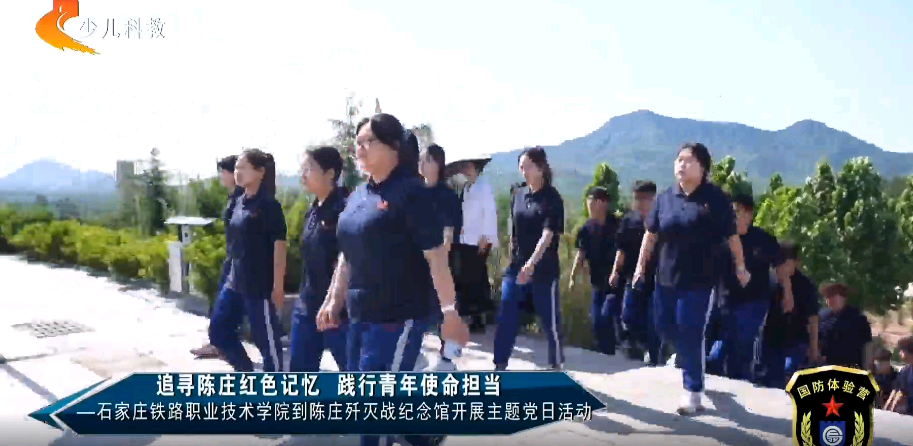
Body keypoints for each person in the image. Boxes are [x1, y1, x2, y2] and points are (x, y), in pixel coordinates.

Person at [315, 113, 469, 446]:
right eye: (357, 142)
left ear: (393, 147)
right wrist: (333, 298)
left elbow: (436, 258)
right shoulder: (358, 196)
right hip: (359, 314)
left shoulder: (412, 194)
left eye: (368, 142)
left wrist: (450, 314)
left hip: (398, 317)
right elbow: (347, 253)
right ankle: (424, 433)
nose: (359, 148)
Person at [632, 142, 749, 415]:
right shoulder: (665, 198)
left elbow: (732, 237)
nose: (681, 165)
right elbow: (650, 235)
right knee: (664, 327)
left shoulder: (715, 199)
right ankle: (688, 357)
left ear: (703, 167)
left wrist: (741, 267)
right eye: (679, 160)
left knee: (691, 331)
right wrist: (640, 267)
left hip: (699, 281)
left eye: (688, 160)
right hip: (665, 278)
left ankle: (693, 391)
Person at [208, 149, 287, 372]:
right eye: (236, 168)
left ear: (260, 172)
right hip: (235, 282)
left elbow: (279, 246)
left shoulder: (269, 205)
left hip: (258, 286)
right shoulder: (238, 202)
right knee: (218, 331)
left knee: (266, 343)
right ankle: (246, 373)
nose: (237, 172)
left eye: (243, 168)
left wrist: (278, 286)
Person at [706, 194, 793, 382]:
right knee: (727, 345)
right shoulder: (722, 238)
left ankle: (741, 381)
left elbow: (780, 269)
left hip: (754, 301)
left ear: (749, 214)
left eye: (738, 211)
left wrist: (787, 293)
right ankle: (731, 378)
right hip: (725, 299)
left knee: (743, 341)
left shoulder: (764, 239)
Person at [493, 146, 565, 371]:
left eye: (528, 167)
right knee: (506, 313)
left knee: (549, 320)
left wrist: (531, 264)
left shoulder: (551, 198)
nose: (524, 171)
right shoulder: (518, 194)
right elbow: (513, 229)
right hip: (516, 266)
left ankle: (556, 364)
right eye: (521, 167)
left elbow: (548, 235)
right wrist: (513, 255)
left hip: (543, 269)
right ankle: (500, 365)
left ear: (541, 168)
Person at [288, 146, 348, 372]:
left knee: (354, 372)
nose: (303, 175)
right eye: (302, 169)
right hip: (307, 306)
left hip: (338, 311)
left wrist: (336, 301)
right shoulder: (312, 210)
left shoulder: (345, 209)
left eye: (309, 169)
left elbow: (350, 259)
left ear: (330, 173)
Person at [191, 155, 244, 359]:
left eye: (223, 171)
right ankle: (219, 343)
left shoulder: (242, 198)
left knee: (228, 303)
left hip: (239, 259)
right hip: (232, 256)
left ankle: (223, 345)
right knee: (222, 301)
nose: (221, 176)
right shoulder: (233, 197)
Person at [419, 144, 464, 371]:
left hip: (439, 264)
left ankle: (448, 361)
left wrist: (440, 265)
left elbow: (449, 233)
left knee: (445, 312)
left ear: (437, 163)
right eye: (420, 159)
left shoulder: (447, 196)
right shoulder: (415, 193)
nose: (421, 164)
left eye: (426, 160)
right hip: (416, 263)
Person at [612, 180, 662, 365]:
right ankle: (633, 349)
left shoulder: (662, 220)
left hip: (657, 279)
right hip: (632, 277)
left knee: (653, 321)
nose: (639, 203)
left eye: (644, 198)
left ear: (653, 199)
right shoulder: (628, 221)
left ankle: (654, 356)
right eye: (636, 198)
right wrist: (615, 271)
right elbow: (621, 249)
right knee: (628, 316)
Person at [760, 241, 819, 389]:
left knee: (789, 372)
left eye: (786, 263)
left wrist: (813, 347)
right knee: (772, 380)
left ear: (796, 262)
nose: (782, 267)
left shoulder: (805, 285)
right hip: (771, 340)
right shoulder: (769, 281)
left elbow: (813, 318)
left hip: (796, 341)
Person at [569, 186, 619, 355]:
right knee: (597, 320)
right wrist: (573, 276)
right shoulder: (585, 229)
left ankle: (618, 346)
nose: (590, 205)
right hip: (597, 281)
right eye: (589, 201)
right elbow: (580, 254)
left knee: (608, 314)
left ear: (604, 203)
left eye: (594, 201)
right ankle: (606, 352)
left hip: (616, 281)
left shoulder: (616, 225)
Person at [451, 157, 498, 332]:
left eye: (468, 166)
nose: (465, 169)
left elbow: (490, 213)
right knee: (466, 278)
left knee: (477, 278)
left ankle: (479, 318)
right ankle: (470, 316)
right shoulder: (466, 187)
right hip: (465, 239)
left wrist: (486, 237)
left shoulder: (484, 186)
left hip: (478, 239)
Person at [817, 282, 873, 369]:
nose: (828, 299)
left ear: (843, 297)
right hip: (826, 367)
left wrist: (867, 368)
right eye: (826, 296)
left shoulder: (857, 318)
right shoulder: (822, 316)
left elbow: (867, 345)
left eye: (832, 296)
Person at [884, 336, 912, 415]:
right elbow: (901, 391)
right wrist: (889, 408)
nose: (899, 354)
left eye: (902, 351)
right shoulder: (905, 371)